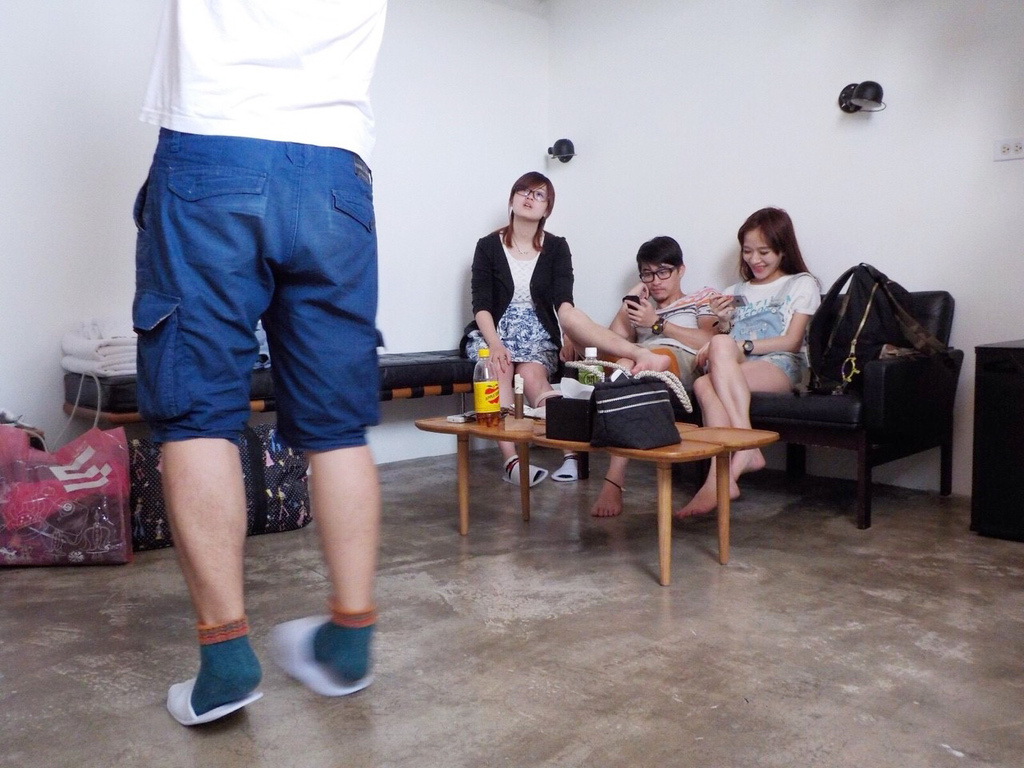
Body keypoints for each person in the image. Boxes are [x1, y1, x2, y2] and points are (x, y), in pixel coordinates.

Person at [134, 0, 389, 726]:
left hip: (212, 144)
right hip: (336, 171)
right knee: (338, 426)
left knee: (197, 413)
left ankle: (225, 663)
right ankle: (348, 641)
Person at [462, 173, 670, 487]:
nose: (529, 198)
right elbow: (481, 305)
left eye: (539, 195)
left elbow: (564, 303)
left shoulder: (557, 247)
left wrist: (570, 334)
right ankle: (512, 461)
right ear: (512, 199)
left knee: (533, 377)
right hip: (493, 331)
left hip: (538, 332)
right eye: (523, 191)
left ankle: (571, 455)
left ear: (547, 208)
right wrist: (495, 344)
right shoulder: (488, 247)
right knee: (500, 370)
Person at [676, 207, 820, 518]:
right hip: (738, 366)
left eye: (764, 252)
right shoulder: (734, 292)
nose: (755, 260)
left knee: (709, 377)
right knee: (704, 379)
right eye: (748, 251)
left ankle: (725, 471)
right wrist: (724, 323)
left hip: (781, 364)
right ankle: (738, 459)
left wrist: (740, 344)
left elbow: (792, 341)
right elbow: (726, 343)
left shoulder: (801, 284)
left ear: (783, 250)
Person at [587, 236, 717, 517]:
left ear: (681, 270)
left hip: (679, 360)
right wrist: (630, 300)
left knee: (638, 365)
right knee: (623, 362)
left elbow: (709, 339)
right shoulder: (642, 308)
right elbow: (612, 341)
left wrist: (658, 323)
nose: (655, 281)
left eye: (663, 272)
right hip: (640, 362)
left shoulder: (702, 297)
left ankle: (613, 480)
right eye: (647, 274)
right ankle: (612, 477)